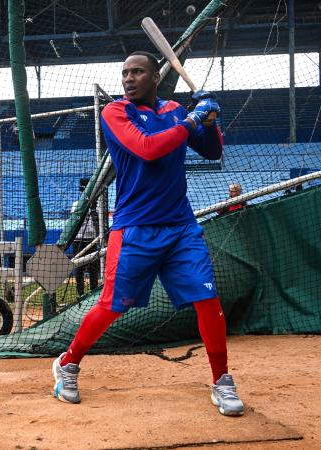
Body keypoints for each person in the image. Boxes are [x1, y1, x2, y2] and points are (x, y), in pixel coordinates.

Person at [52, 51, 244, 417]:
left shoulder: (173, 110)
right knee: (112, 306)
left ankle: (222, 381)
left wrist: (211, 117)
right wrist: (194, 117)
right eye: (124, 73)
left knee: (209, 301)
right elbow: (148, 149)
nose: (128, 78)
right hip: (135, 228)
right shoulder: (115, 112)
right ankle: (69, 362)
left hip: (180, 227)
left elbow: (212, 150)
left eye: (137, 72)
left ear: (156, 78)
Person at [72, 180, 100, 298]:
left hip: (92, 240)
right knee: (79, 268)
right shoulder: (76, 204)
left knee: (94, 268)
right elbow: (76, 221)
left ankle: (93, 291)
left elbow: (98, 223)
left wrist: (94, 211)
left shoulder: (97, 205)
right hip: (79, 240)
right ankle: (80, 293)